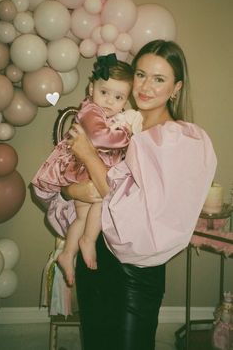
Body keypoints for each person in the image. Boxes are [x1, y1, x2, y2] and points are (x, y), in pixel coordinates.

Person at [62, 39, 217, 350]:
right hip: (94, 257)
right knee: (96, 341)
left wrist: (90, 158)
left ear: (176, 88)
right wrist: (74, 188)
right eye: (141, 75)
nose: (145, 86)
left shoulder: (178, 140)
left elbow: (135, 209)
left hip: (134, 270)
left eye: (159, 79)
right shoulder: (114, 123)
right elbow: (70, 182)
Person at [32, 53, 143, 286]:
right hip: (81, 167)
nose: (110, 101)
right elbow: (100, 137)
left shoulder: (110, 115)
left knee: (84, 215)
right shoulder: (91, 111)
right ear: (91, 88)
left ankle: (68, 252)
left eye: (118, 97)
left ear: (126, 100)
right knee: (99, 202)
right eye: (104, 92)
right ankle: (88, 241)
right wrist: (126, 133)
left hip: (87, 169)